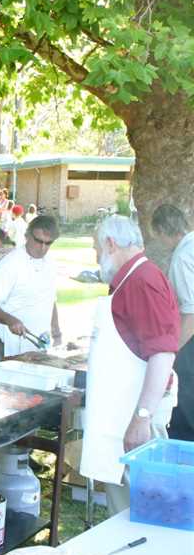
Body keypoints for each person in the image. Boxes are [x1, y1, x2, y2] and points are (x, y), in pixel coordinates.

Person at [81, 216, 179, 515]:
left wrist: (142, 418)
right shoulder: (129, 278)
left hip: (134, 419)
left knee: (140, 511)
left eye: (97, 248)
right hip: (119, 415)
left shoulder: (142, 280)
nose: (96, 256)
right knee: (125, 508)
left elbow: (162, 354)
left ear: (111, 244)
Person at [0, 215, 61, 360]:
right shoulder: (10, 264)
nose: (43, 247)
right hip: (11, 346)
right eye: (38, 241)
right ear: (27, 236)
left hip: (39, 344)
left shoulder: (50, 263)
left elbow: (50, 299)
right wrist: (10, 320)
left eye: (48, 243)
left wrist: (56, 332)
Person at [150, 204, 194, 441]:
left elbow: (191, 313)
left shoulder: (183, 256)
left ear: (163, 231)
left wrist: (172, 351)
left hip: (190, 342)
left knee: (185, 412)